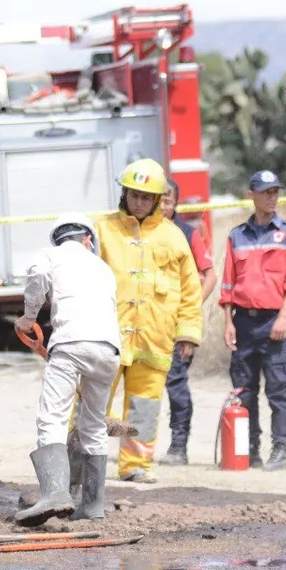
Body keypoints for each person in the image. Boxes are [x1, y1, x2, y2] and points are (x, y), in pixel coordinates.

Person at [93, 159, 202, 483]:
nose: (139, 202)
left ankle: (135, 466)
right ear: (124, 194)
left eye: (146, 197)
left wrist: (188, 334)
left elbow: (190, 288)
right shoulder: (102, 230)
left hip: (154, 338)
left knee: (145, 405)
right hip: (106, 337)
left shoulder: (173, 237)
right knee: (91, 402)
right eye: (133, 195)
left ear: (156, 200)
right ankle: (81, 462)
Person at [13, 212, 121, 526]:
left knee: (52, 417)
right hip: (109, 349)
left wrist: (29, 317)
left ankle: (55, 493)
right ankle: (92, 507)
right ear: (87, 239)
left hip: (71, 342)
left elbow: (37, 276)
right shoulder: (102, 267)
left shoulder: (50, 254)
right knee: (94, 425)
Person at [220, 170, 286, 471]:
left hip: (274, 322)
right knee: (244, 390)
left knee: (278, 389)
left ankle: (282, 449)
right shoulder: (236, 236)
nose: (272, 197)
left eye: (275, 191)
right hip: (243, 322)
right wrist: (229, 323)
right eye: (266, 192)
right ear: (252, 195)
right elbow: (228, 286)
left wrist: (284, 317)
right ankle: (248, 450)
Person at [159, 178, 219, 467]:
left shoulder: (187, 233)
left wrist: (190, 309)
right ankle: (137, 448)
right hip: (146, 326)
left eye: (167, 201)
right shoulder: (139, 232)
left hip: (178, 326)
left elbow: (210, 276)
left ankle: (178, 446)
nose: (162, 206)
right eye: (158, 200)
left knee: (176, 385)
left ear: (175, 204)